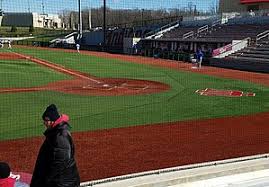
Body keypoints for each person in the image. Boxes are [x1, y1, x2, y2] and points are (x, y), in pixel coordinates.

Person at [30, 104, 80, 187]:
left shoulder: (60, 136)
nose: (45, 123)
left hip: (62, 182)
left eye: (47, 120)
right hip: (62, 180)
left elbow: (60, 162)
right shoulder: (55, 132)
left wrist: (47, 179)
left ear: (54, 120)